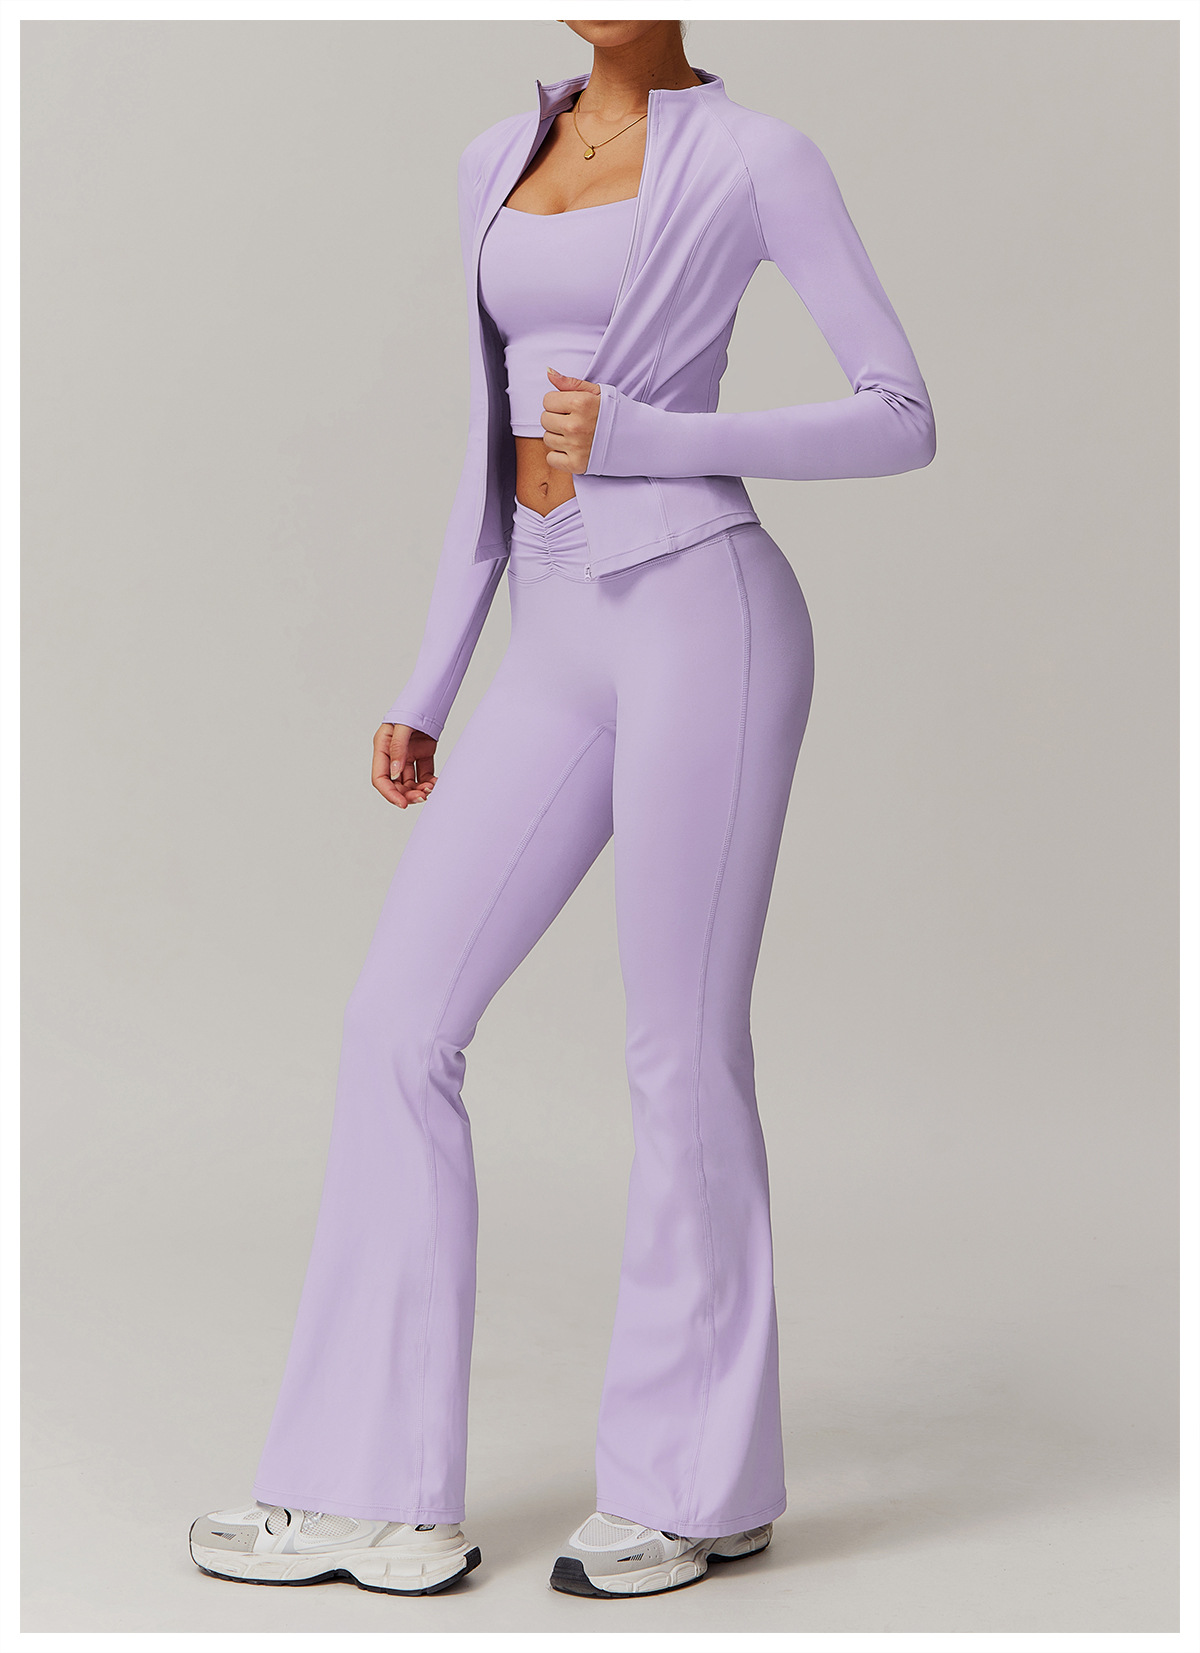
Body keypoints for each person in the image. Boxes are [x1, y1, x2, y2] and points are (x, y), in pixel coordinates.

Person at [189, 18, 935, 1601]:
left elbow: (900, 411)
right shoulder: (495, 156)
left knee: (677, 1045)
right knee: (397, 1024)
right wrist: (430, 680)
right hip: (551, 625)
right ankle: (373, 1494)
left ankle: (693, 1485)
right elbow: (486, 443)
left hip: (702, 615)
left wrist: (666, 438)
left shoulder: (757, 158)